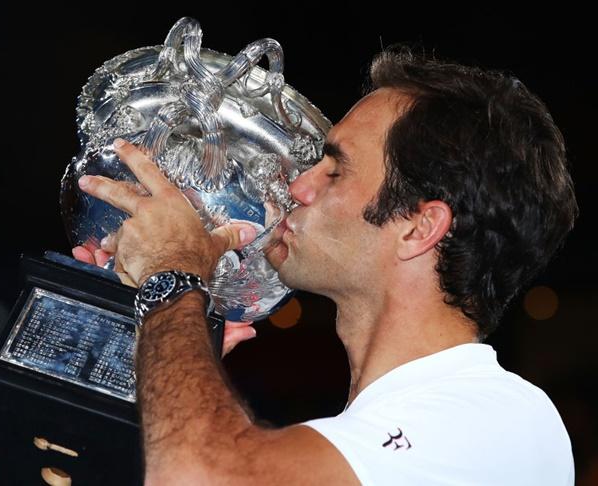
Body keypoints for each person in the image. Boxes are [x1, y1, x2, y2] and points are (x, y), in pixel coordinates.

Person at [75, 47, 578, 485]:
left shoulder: (500, 419)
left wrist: (172, 275)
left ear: (419, 228)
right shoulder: (372, 432)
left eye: (334, 170)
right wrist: (149, 346)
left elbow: (203, 476)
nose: (299, 188)